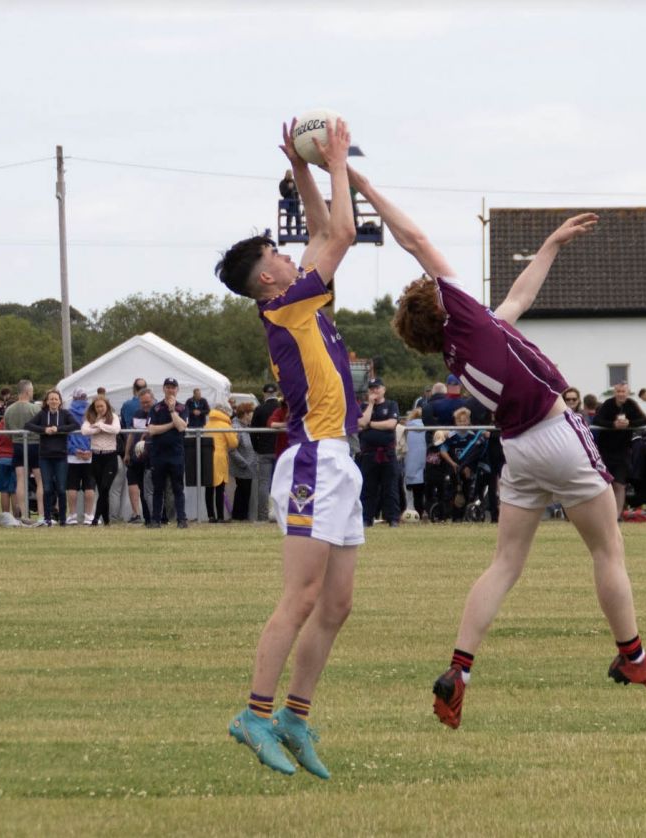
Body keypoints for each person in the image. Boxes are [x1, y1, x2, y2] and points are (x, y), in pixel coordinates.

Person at [347, 162, 646, 733]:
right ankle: (634, 657)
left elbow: (518, 300)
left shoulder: (462, 348)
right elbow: (416, 240)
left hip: (520, 450)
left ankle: (459, 671)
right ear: (445, 306)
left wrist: (549, 246)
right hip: (557, 434)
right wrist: (365, 187)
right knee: (607, 550)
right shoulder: (465, 318)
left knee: (505, 564)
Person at [215, 115, 359, 779]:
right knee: (299, 599)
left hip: (338, 459)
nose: (287, 255)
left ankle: (297, 717)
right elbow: (342, 231)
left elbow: (324, 231)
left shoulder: (291, 300)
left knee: (335, 605)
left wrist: (301, 166)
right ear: (268, 279)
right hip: (312, 459)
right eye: (276, 254)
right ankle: (254, 713)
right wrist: (333, 159)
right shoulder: (289, 304)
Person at [591, 383, 646, 518]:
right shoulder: (607, 404)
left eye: (623, 391)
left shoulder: (631, 404)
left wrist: (629, 424)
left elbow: (645, 420)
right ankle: (604, 514)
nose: (621, 394)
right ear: (614, 392)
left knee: (620, 484)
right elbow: (597, 420)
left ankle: (617, 515)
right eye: (618, 391)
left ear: (628, 392)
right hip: (605, 450)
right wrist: (613, 425)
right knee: (604, 484)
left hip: (623, 450)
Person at [26, 389, 77, 526]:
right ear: (47, 401)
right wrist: (44, 430)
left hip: (61, 456)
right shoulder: (42, 414)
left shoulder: (65, 414)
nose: (54, 401)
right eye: (51, 399)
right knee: (47, 488)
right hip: (45, 456)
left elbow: (75, 425)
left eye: (56, 399)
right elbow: (29, 425)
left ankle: (62, 518)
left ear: (60, 401)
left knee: (61, 488)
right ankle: (47, 518)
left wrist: (58, 429)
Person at [145, 377, 190, 529]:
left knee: (178, 488)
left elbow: (182, 427)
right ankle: (155, 520)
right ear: (163, 389)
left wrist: (172, 411)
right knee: (158, 489)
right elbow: (152, 430)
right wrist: (172, 424)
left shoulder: (182, 408)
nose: (170, 390)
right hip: (158, 454)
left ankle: (181, 519)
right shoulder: (155, 408)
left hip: (176, 454)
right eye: (168, 387)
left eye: (173, 387)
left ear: (177, 390)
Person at [357, 377, 401, 527]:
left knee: (390, 488)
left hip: (387, 454)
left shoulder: (391, 405)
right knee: (368, 488)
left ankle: (393, 518)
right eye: (372, 388)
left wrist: (371, 424)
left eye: (377, 388)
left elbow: (391, 424)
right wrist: (370, 404)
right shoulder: (363, 406)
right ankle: (366, 518)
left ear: (384, 389)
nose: (375, 391)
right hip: (369, 454)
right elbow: (362, 422)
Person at [3, 380, 42, 523]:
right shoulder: (35, 409)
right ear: (27, 392)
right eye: (31, 391)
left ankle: (24, 514)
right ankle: (42, 514)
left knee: (20, 480)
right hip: (35, 445)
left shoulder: (9, 410)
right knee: (40, 480)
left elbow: (7, 432)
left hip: (17, 445)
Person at [81, 394, 121, 526]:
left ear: (107, 406)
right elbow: (85, 431)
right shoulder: (91, 418)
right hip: (97, 456)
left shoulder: (113, 417)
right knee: (102, 490)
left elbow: (116, 429)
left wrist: (99, 426)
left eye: (102, 406)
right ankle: (107, 521)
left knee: (104, 487)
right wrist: (98, 426)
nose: (99, 409)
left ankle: (95, 519)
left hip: (110, 456)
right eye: (97, 406)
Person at [124, 388, 156, 525]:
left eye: (147, 402)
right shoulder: (137, 413)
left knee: (154, 489)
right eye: (142, 403)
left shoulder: (159, 413)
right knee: (142, 489)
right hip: (137, 456)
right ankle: (147, 518)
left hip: (152, 457)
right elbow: (131, 434)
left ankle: (160, 517)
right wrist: (127, 453)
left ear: (153, 400)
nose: (145, 405)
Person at [250, 382, 281, 519]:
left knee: (264, 483)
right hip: (281, 450)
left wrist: (257, 447)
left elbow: (252, 432)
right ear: (277, 393)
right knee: (281, 481)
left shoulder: (259, 409)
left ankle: (263, 515)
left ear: (264, 394)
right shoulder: (281, 408)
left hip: (264, 450)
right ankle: (280, 513)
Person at [204, 401, 239, 523]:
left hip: (207, 457)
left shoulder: (208, 424)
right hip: (219, 458)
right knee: (219, 488)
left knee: (209, 487)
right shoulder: (225, 425)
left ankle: (210, 516)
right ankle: (220, 516)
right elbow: (234, 443)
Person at [65, 388, 96, 525]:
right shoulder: (91, 414)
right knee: (89, 487)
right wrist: (90, 450)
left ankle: (72, 515)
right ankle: (89, 515)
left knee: (72, 487)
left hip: (72, 456)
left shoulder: (68, 413)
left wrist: (74, 451)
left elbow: (66, 436)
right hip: (89, 455)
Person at [120, 378, 149, 522]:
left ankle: (136, 513)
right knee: (147, 483)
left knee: (134, 481)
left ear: (133, 389)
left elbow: (125, 427)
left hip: (133, 448)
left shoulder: (127, 405)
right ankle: (151, 513)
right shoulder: (155, 406)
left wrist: (126, 452)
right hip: (147, 449)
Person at [0, 416, 23, 526]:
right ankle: (17, 517)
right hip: (15, 458)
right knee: (15, 489)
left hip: (1, 459)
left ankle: (6, 517)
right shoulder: (17, 425)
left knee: (4, 490)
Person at [230, 401, 258, 521]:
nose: (252, 415)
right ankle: (240, 516)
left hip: (248, 466)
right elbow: (232, 449)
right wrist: (244, 463)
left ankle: (240, 516)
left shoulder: (246, 426)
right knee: (243, 491)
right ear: (245, 414)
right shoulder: (236, 427)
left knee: (244, 491)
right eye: (251, 412)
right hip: (242, 467)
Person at [402, 408, 428, 517]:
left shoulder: (406, 429)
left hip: (410, 467)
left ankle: (418, 513)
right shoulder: (428, 428)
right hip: (426, 466)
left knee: (415, 494)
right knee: (427, 493)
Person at [279, 168, 300, 235]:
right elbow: (283, 194)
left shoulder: (294, 182)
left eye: (291, 175)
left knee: (298, 219)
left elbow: (297, 192)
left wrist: (298, 200)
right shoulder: (282, 183)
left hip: (296, 203)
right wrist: (289, 189)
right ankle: (289, 233)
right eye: (288, 174)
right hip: (289, 204)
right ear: (286, 175)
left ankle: (298, 233)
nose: (290, 176)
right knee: (289, 218)